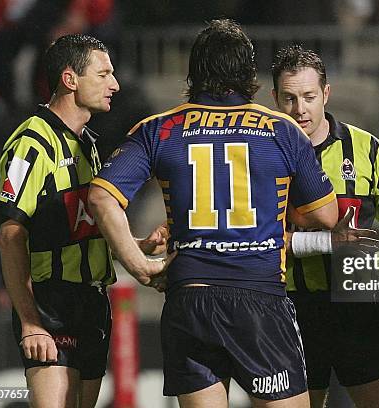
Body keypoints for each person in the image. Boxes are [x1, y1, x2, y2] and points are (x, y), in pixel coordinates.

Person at [87, 19, 338, 408]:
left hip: (190, 299)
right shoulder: (281, 129)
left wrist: (140, 265)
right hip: (259, 300)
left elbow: (102, 198)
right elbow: (326, 216)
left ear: (194, 72)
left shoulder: (160, 129)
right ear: (249, 73)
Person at [0, 34, 165, 408]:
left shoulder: (87, 143)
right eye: (103, 74)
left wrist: (135, 245)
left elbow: (80, 229)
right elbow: (10, 236)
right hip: (51, 303)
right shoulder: (31, 144)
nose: (115, 84)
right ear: (70, 79)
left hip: (92, 302)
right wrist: (30, 322)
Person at [271, 45, 379, 408]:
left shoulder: (368, 150)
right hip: (291, 307)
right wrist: (325, 241)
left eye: (308, 97)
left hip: (359, 302)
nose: (299, 109)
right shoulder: (263, 154)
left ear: (326, 93)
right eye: (289, 98)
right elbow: (258, 238)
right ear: (274, 97)